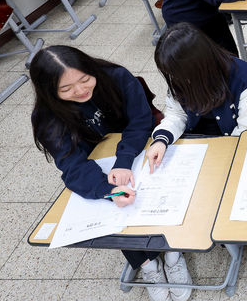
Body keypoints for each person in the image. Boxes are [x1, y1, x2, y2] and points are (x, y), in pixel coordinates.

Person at [29, 46, 190, 301]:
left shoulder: (115, 77)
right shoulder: (48, 116)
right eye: (66, 89)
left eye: (84, 79)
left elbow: (141, 120)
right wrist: (108, 190)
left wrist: (124, 161)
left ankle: (173, 252)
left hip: (140, 146)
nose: (80, 90)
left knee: (165, 191)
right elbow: (71, 165)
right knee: (118, 207)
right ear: (49, 92)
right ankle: (148, 264)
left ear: (91, 69)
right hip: (98, 164)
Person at [147, 23, 247, 171]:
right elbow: (176, 114)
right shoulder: (180, 77)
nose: (175, 79)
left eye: (178, 74)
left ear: (199, 65)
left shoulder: (244, 78)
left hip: (232, 146)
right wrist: (161, 140)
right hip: (195, 146)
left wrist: (215, 158)